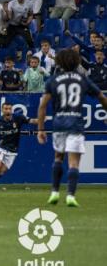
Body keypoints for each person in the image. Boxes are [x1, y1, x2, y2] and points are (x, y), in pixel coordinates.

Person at [37, 49, 107, 207]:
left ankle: (54, 192)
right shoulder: (82, 79)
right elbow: (102, 97)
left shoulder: (53, 80)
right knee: (74, 163)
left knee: (58, 157)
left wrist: (41, 129)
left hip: (59, 123)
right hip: (75, 123)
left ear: (59, 62)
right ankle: (70, 195)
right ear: (76, 62)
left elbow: (42, 106)